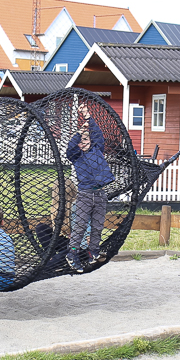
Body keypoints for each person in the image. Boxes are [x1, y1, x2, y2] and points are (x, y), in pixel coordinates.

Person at [65, 105, 113, 272]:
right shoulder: (76, 156)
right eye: (80, 141)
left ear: (91, 141)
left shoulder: (97, 149)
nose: (83, 143)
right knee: (80, 225)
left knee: (98, 225)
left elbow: (98, 133)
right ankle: (72, 253)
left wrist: (87, 117)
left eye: (85, 140)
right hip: (85, 194)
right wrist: (79, 132)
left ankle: (93, 251)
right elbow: (69, 147)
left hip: (100, 194)